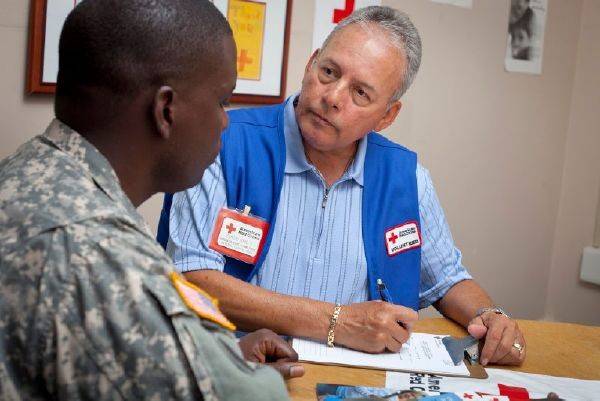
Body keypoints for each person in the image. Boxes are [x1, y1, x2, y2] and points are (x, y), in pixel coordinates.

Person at [159, 6, 526, 366]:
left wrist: (489, 315)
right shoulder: (223, 142)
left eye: (361, 93)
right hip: (239, 369)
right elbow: (193, 280)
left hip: (356, 383)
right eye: (329, 72)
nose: (332, 97)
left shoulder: (407, 179)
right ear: (311, 63)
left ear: (387, 115)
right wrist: (337, 322)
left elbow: (446, 280)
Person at [0, 0, 302, 400]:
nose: (226, 121)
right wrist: (247, 380)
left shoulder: (29, 171)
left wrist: (212, 355)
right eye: (222, 101)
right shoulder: (98, 254)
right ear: (166, 110)